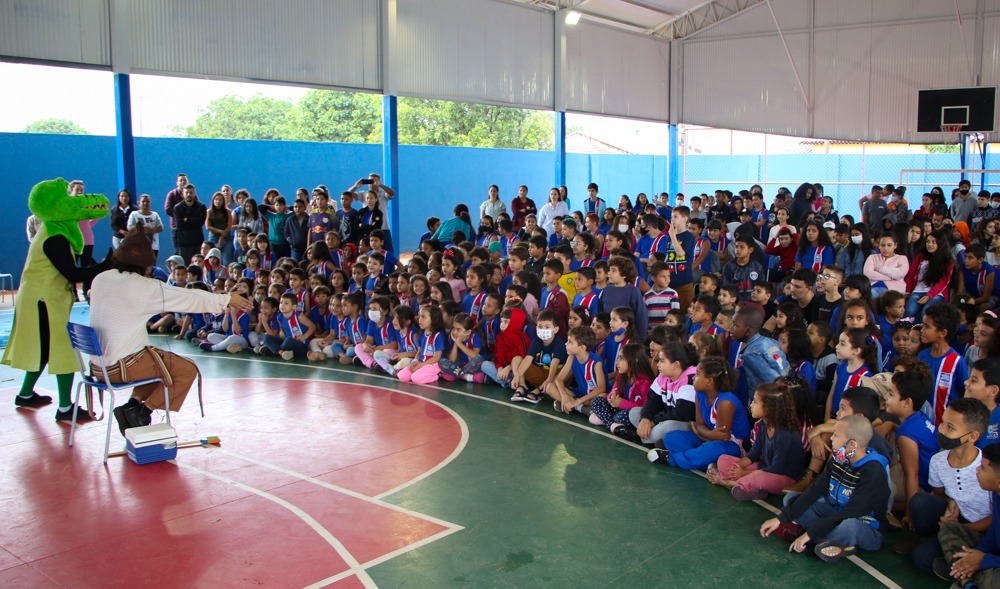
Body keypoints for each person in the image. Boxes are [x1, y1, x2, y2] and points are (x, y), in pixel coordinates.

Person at [86, 222, 253, 433]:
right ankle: (141, 412)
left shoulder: (100, 279)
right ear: (146, 265)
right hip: (123, 366)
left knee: (160, 364)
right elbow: (189, 298)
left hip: (97, 367)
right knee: (186, 370)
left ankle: (132, 406)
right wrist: (227, 299)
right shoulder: (144, 287)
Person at [3, 179, 113, 421]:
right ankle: (65, 408)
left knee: (42, 349)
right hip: (42, 300)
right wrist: (107, 265)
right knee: (62, 349)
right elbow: (72, 274)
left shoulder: (53, 229)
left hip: (39, 297)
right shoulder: (55, 237)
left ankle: (25, 393)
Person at [760, 415, 891, 563]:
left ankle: (817, 538)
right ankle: (833, 543)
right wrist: (780, 519)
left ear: (852, 445)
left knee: (849, 527)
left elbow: (851, 513)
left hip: (864, 524)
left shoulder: (873, 470)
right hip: (835, 512)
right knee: (791, 498)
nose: (832, 439)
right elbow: (814, 490)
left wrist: (808, 535)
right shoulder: (839, 459)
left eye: (836, 435)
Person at [649, 357, 751, 471]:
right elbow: (699, 425)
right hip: (707, 438)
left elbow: (722, 438)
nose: (693, 377)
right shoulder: (699, 394)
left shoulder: (725, 402)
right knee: (670, 438)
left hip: (732, 445)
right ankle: (708, 464)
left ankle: (671, 458)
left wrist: (700, 433)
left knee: (712, 449)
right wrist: (702, 433)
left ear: (709, 381)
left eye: (697, 374)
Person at [708, 382, 805, 500]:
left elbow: (777, 468)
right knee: (723, 460)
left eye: (755, 401)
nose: (751, 405)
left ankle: (727, 483)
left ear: (768, 408)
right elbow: (755, 452)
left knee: (759, 476)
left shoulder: (785, 434)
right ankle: (752, 488)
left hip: (784, 478)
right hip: (763, 468)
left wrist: (742, 473)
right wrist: (737, 466)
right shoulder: (764, 424)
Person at [935, 442, 1000, 586]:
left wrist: (983, 560)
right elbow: (994, 535)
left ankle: (963, 577)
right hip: (994, 556)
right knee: (949, 528)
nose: (977, 469)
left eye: (983, 467)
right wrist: (974, 555)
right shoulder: (996, 493)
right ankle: (966, 576)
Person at [348, 173, 396, 251]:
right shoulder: (364, 194)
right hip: (368, 230)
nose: (371, 183)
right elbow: (348, 194)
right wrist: (355, 186)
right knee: (369, 252)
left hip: (383, 228)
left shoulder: (383, 193)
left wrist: (381, 185)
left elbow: (392, 193)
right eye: (369, 181)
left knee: (388, 251)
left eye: (373, 181)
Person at [127, 194, 164, 260]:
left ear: (150, 203)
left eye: (147, 202)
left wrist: (151, 230)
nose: (145, 203)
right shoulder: (134, 214)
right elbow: (129, 227)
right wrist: (141, 229)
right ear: (139, 203)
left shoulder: (155, 215)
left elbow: (161, 227)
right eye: (143, 201)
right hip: (138, 246)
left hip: (153, 246)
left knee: (151, 266)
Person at [163, 173, 188, 254]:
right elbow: (168, 209)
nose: (183, 182)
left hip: (189, 228)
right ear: (177, 183)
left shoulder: (191, 194)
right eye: (181, 180)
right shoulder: (172, 194)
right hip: (176, 227)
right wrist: (180, 218)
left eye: (185, 180)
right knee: (178, 250)